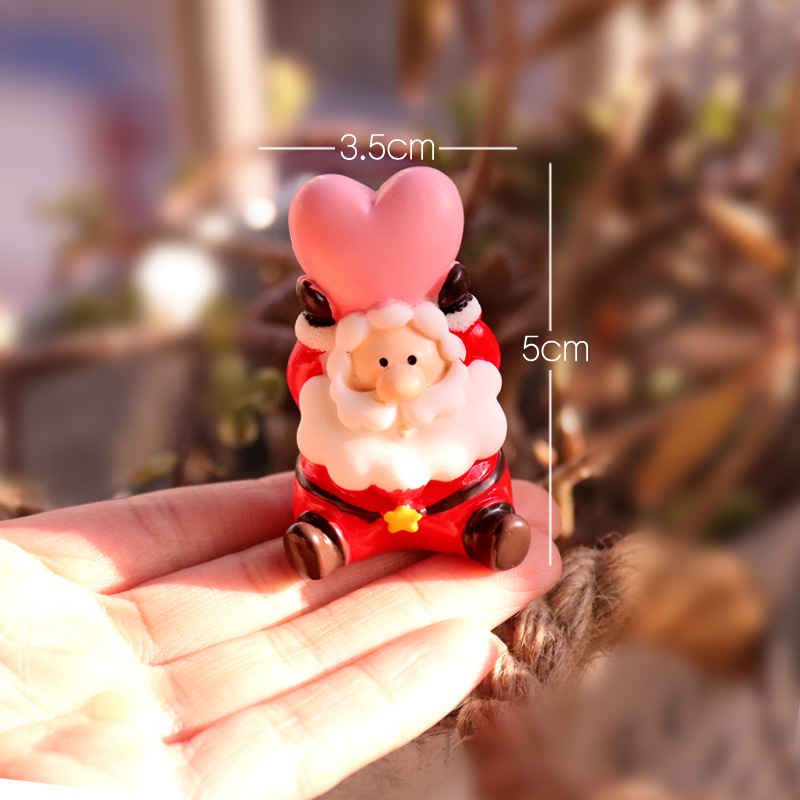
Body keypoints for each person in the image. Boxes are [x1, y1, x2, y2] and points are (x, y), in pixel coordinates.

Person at [0, 471, 560, 798]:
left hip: (452, 487)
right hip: (346, 492)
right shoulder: (325, 363)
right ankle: (329, 538)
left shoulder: (461, 367)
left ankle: (481, 523)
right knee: (336, 508)